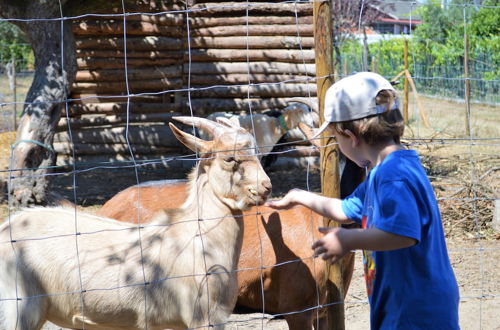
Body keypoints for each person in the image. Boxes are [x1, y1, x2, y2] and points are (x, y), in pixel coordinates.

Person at [265, 72, 460, 329]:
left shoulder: (393, 176)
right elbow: (345, 209)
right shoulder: (384, 171)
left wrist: (349, 239)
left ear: (351, 136)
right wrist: (299, 196)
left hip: (415, 310)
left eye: (336, 138)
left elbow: (404, 233)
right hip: (401, 302)